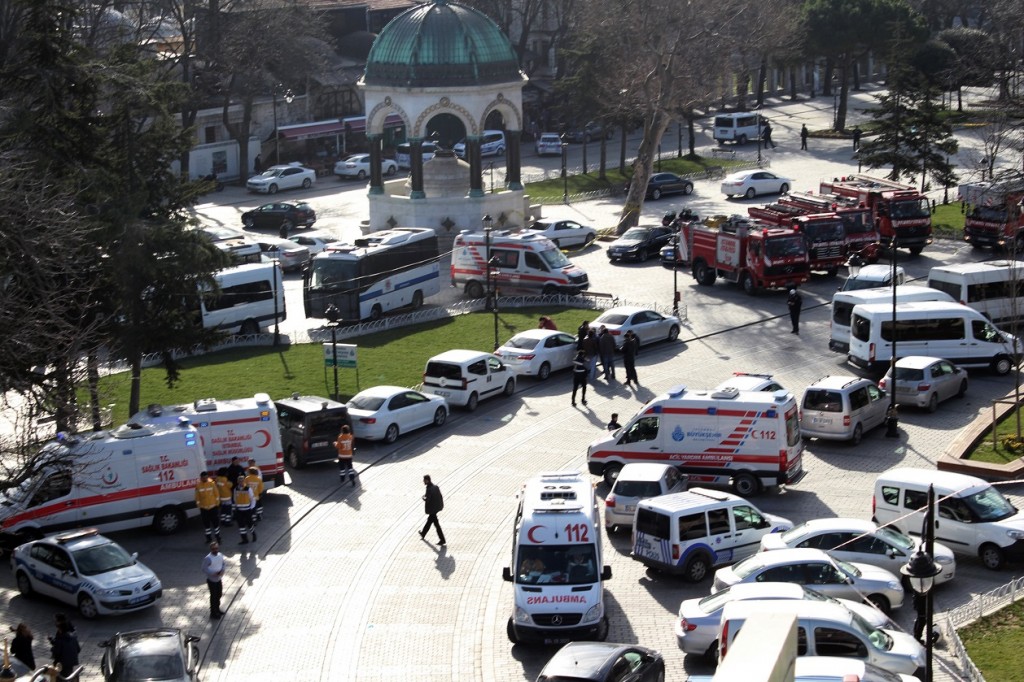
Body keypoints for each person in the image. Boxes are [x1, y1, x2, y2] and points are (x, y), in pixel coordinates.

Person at [195, 471, 221, 544]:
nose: (205, 479)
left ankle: (218, 538)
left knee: (216, 524)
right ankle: (208, 538)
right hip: (204, 509)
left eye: (206, 477)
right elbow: (197, 497)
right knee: (206, 525)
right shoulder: (198, 486)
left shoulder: (212, 484)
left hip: (213, 507)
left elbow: (217, 494)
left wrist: (217, 504)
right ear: (201, 478)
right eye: (203, 478)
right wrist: (199, 506)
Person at [419, 475, 446, 545]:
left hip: (432, 509)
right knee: (430, 521)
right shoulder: (435, 487)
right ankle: (423, 533)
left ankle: (442, 539)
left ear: (427, 480)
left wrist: (424, 499)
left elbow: (428, 499)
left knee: (436, 524)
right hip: (436, 508)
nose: (423, 481)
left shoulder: (429, 488)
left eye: (424, 480)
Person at [203, 541, 226, 619]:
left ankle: (217, 609)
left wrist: (222, 570)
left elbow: (223, 563)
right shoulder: (208, 558)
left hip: (219, 579)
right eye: (213, 549)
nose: (215, 550)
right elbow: (204, 568)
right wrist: (213, 573)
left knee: (219, 594)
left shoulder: (220, 555)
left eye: (216, 548)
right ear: (211, 549)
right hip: (212, 580)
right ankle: (213, 612)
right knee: (214, 596)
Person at [233, 475, 257, 544]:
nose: (241, 482)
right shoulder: (235, 489)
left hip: (247, 510)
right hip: (239, 511)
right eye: (240, 481)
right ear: (238, 482)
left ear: (244, 481)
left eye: (242, 481)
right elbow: (235, 499)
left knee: (250, 524)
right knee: (241, 526)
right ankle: (244, 539)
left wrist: (251, 508)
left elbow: (252, 499)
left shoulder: (248, 489)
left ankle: (253, 534)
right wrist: (235, 508)